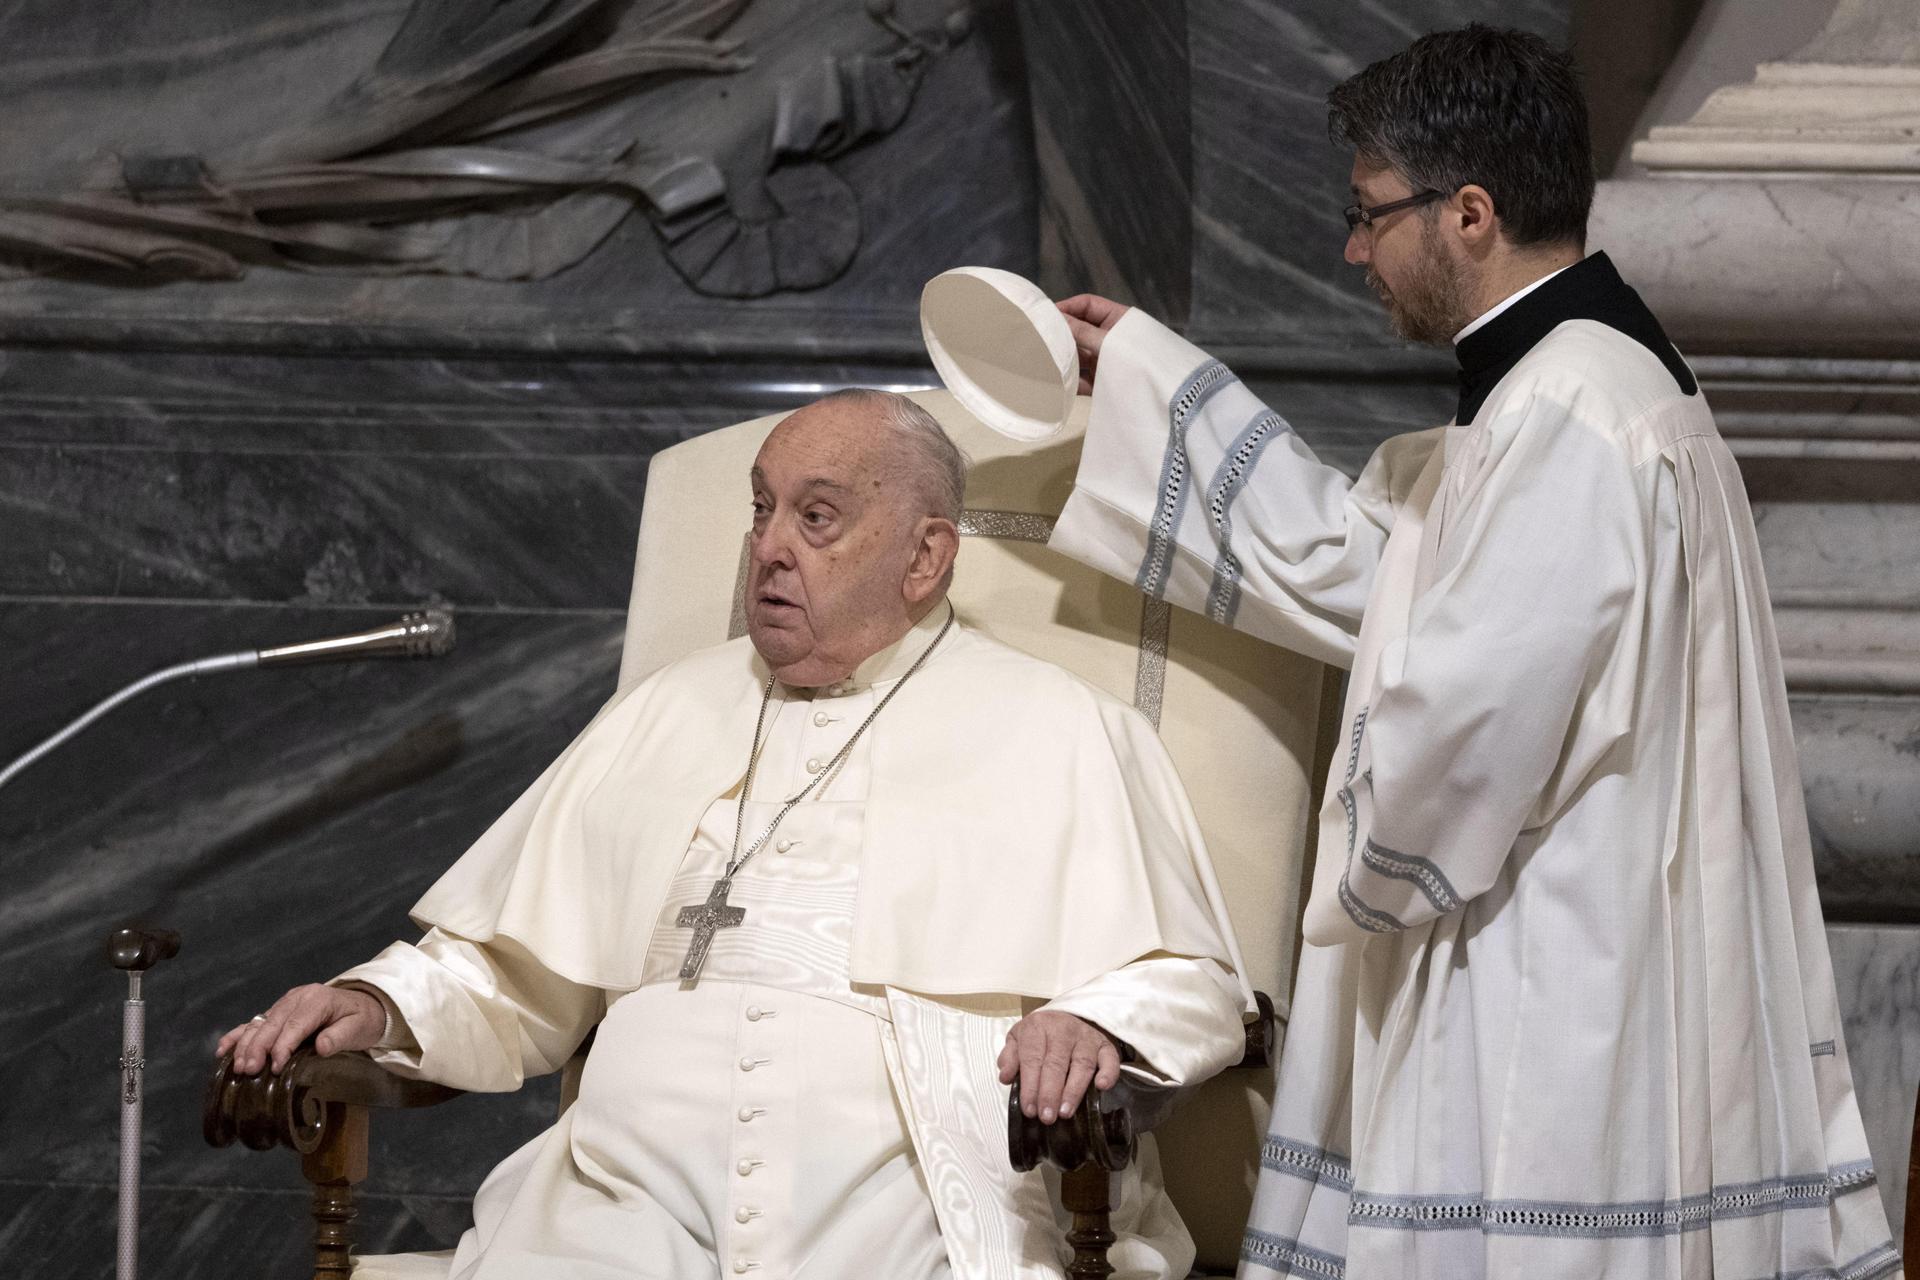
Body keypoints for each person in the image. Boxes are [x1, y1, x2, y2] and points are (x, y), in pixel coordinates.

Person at [1049, 25, 1899, 1280]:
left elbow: (1462, 722)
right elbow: (1388, 566)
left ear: (1470, 214)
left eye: (1368, 214)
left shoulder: (1565, 415)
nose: (1353, 249)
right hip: (1574, 927)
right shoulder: (1581, 378)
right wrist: (1147, 376)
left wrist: (1353, 846)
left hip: (1546, 967)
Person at [217, 388, 1253, 1280]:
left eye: (818, 516)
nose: (768, 547)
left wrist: (1095, 1024)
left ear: (926, 555)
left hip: (912, 1195)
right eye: (762, 511)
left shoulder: (1058, 724)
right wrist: (375, 1000)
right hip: (614, 1202)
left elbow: (1189, 975)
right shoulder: (666, 710)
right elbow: (507, 969)